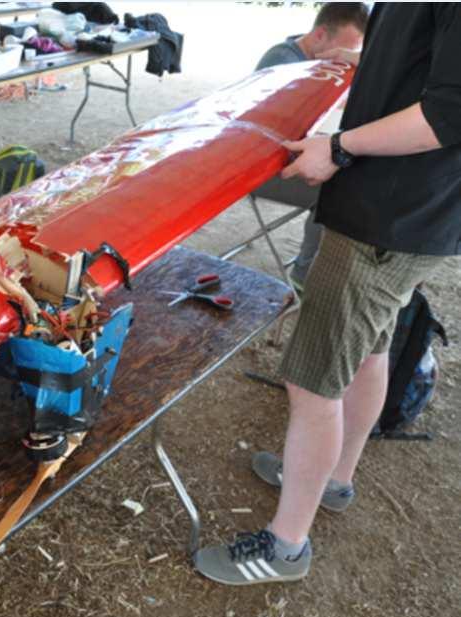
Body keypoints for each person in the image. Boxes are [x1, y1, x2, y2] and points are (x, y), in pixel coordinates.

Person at [194, 2, 460, 585]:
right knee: (368, 348)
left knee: (313, 377)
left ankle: (286, 547)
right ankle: (333, 479)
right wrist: (368, 61)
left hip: (386, 214)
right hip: (403, 212)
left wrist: (339, 147)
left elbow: (447, 113)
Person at [255, 3, 368, 292]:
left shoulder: (315, 59)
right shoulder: (282, 62)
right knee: (339, 186)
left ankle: (316, 270)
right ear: (320, 35)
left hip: (298, 156)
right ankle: (305, 275)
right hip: (266, 168)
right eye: (345, 49)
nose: (346, 58)